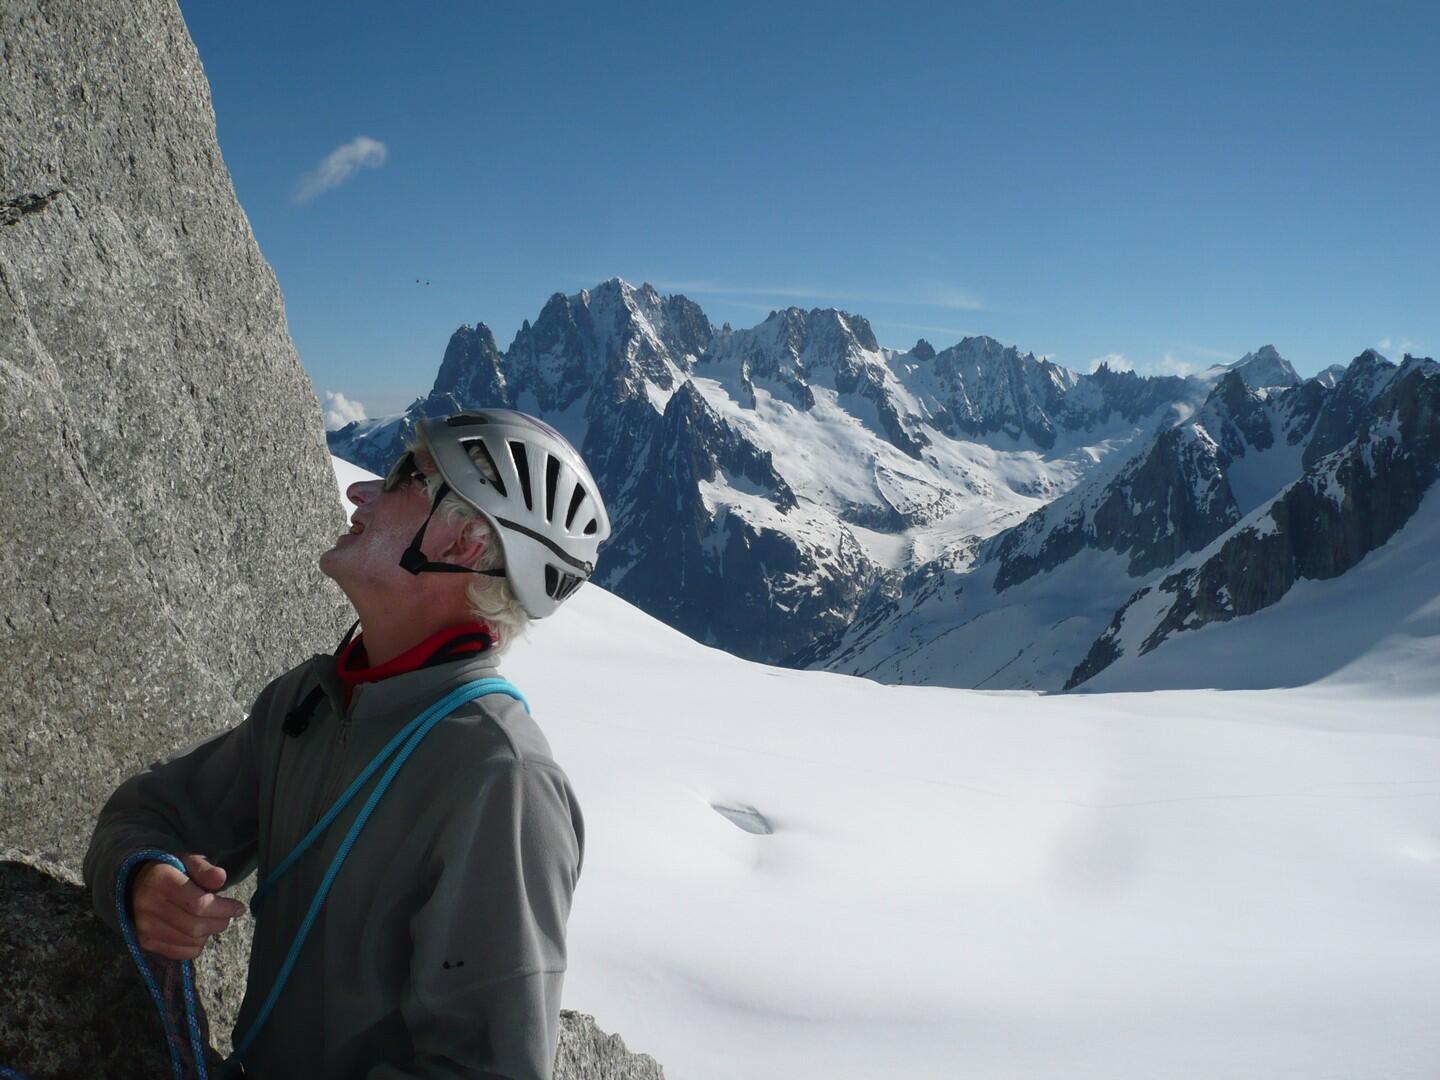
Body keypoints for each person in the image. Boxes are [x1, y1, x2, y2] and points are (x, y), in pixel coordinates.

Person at [83, 409, 609, 1078]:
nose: (361, 491)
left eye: (406, 477)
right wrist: (143, 880)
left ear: (463, 542)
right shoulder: (313, 698)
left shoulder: (502, 778)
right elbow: (143, 814)